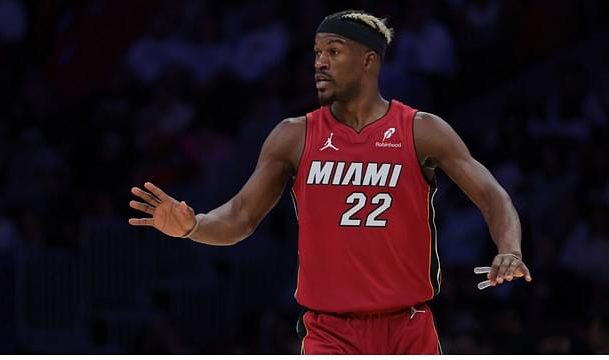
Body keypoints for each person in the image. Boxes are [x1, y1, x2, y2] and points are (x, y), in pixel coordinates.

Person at [128, 9, 532, 355]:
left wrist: (509, 249)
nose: (319, 62)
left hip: (408, 327)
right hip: (330, 332)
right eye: (317, 53)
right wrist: (193, 226)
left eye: (333, 52)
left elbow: (492, 196)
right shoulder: (294, 135)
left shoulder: (421, 130)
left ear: (368, 60)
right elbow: (240, 215)